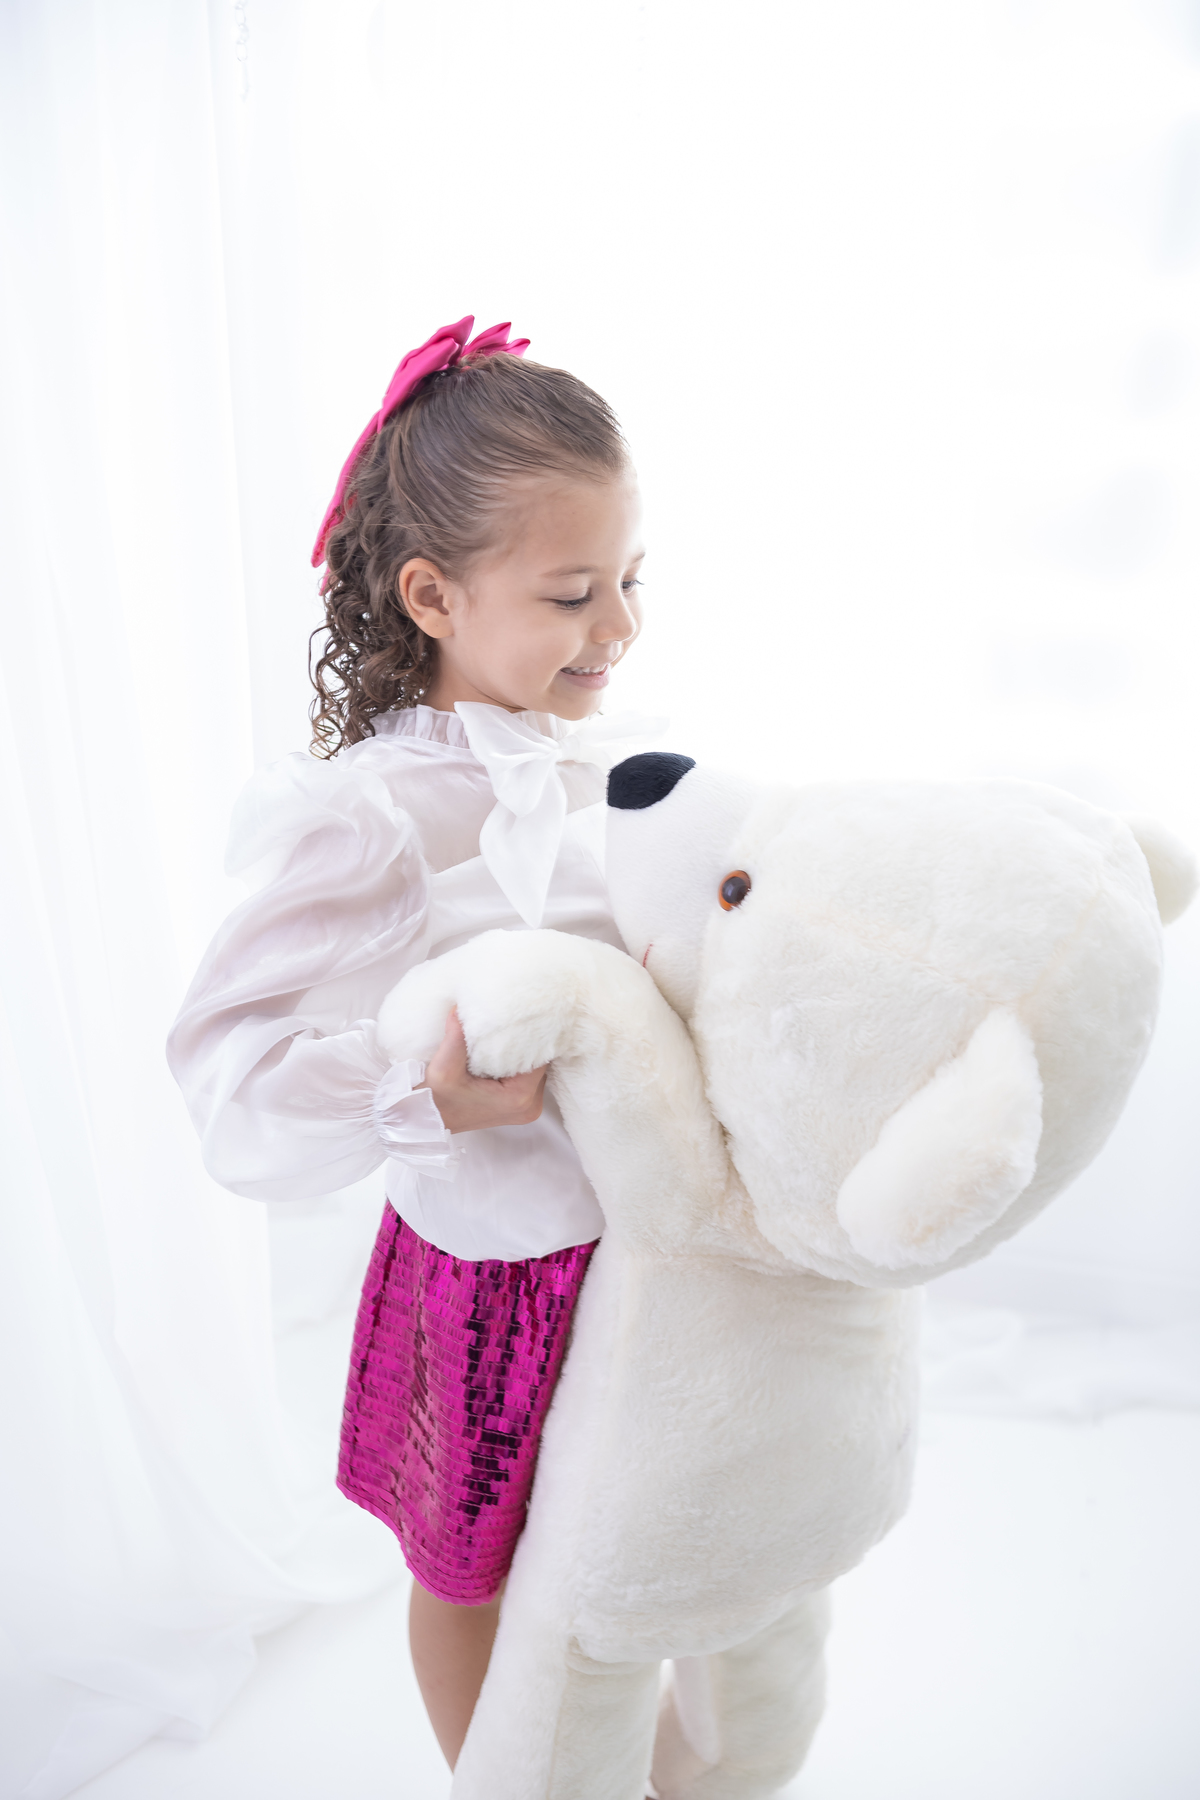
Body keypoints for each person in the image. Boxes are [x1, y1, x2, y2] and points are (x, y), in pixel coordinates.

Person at [167, 316, 655, 1768]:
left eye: (632, 582)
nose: (619, 631)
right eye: (575, 594)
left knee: (627, 1556)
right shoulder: (377, 815)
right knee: (475, 1574)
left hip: (639, 1257)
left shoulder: (620, 774)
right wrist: (422, 1093)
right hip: (490, 1286)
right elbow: (227, 1060)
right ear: (433, 595)